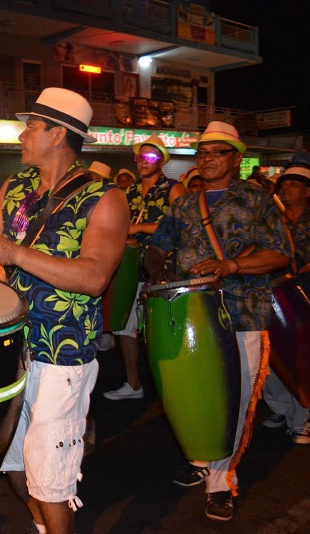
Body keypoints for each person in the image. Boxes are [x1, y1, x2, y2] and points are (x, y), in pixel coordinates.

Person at [0, 87, 129, 534]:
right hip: (8, 346)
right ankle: (43, 526)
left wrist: (14, 254)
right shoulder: (16, 188)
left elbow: (94, 277)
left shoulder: (105, 197)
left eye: (31, 127)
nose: (22, 136)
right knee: (9, 457)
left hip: (62, 352)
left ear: (59, 134)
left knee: (50, 476)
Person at [145, 121, 290, 521]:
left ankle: (222, 480)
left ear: (237, 159)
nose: (207, 158)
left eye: (217, 152)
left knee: (236, 399)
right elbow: (158, 245)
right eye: (203, 152)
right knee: (194, 391)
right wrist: (156, 268)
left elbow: (280, 254)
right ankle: (201, 458)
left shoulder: (257, 200)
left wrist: (232, 265)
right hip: (191, 314)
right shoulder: (184, 205)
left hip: (242, 312)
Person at [104, 134, 186, 401]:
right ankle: (133, 384)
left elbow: (184, 226)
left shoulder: (173, 188)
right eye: (140, 156)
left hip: (163, 270)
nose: (143, 161)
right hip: (131, 268)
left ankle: (174, 388)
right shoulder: (128, 192)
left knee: (164, 329)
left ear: (162, 160)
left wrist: (139, 227)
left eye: (151, 156)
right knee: (125, 329)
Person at [261, 166, 310, 443]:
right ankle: (281, 407)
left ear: (308, 191)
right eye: (284, 184)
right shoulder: (273, 219)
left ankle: (304, 416)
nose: (286, 188)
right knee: (274, 354)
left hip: (305, 292)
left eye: (294, 184)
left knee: (302, 356)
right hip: (276, 293)